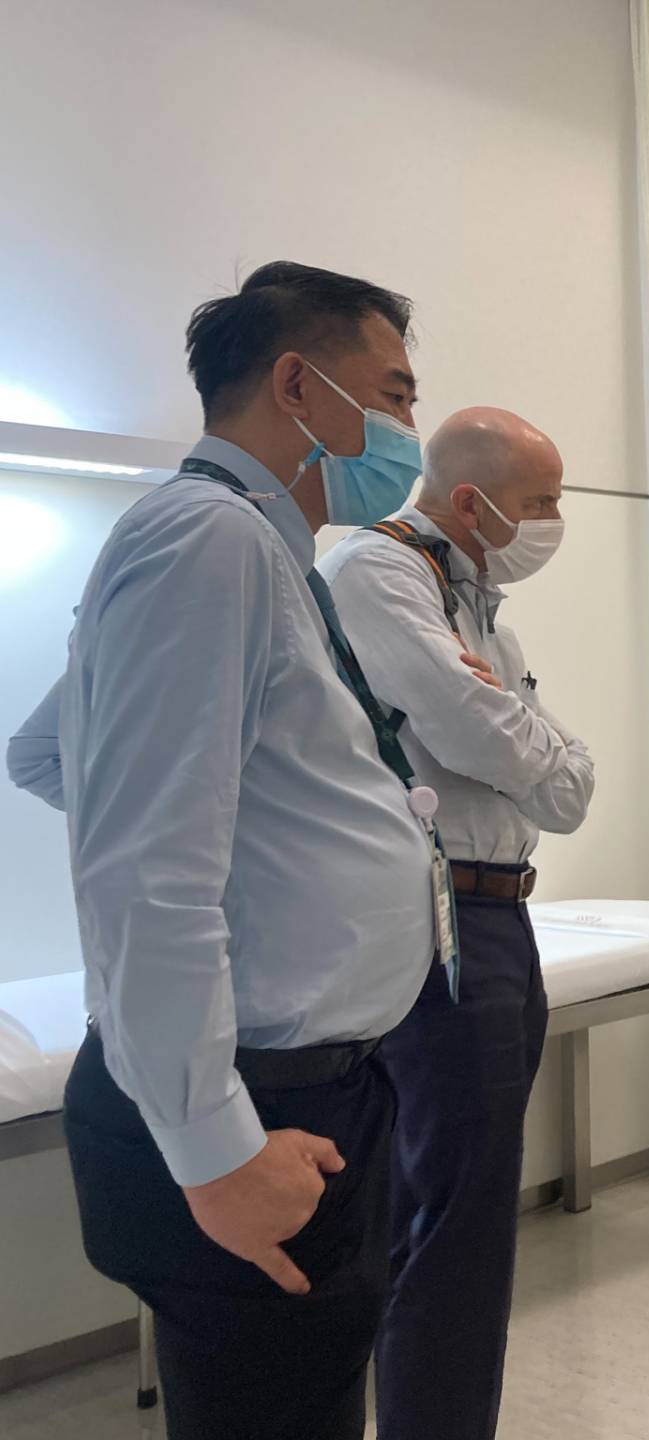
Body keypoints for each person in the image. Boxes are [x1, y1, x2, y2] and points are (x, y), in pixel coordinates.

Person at [3, 261, 462, 1439]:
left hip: (297, 1085)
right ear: (298, 387)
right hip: (251, 1104)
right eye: (394, 395)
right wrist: (215, 1152)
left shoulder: (254, 549)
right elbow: (148, 869)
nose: (408, 431)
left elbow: (51, 756)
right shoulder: (209, 542)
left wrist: (266, 849)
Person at [317, 406, 593, 1440]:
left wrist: (517, 734)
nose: (553, 521)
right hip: (437, 921)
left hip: (499, 916)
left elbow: (565, 783)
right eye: (542, 502)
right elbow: (481, 733)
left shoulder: (482, 612)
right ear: (473, 503)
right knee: (456, 1225)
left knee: (461, 1209)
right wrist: (518, 734)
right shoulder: (374, 573)